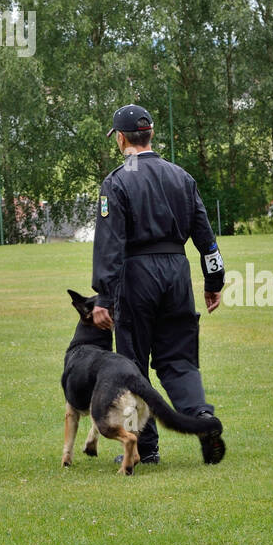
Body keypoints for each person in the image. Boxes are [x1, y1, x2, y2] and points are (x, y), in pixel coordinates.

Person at [91, 104, 226, 465]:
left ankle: (143, 448)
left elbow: (110, 245)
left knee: (133, 367)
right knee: (180, 359)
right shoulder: (181, 177)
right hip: (177, 272)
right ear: (149, 135)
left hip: (137, 275)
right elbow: (206, 236)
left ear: (121, 138)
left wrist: (104, 296)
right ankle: (201, 418)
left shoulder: (117, 181)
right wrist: (214, 280)